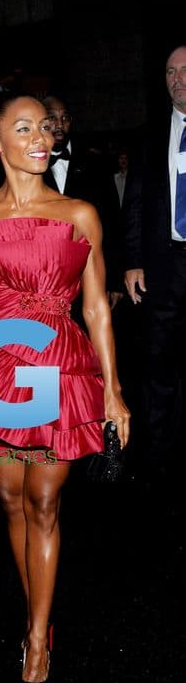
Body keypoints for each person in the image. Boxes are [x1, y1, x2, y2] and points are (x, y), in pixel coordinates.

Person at [0, 87, 130, 683]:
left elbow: (98, 307)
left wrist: (113, 390)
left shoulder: (80, 214)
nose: (41, 140)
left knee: (44, 502)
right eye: (23, 130)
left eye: (46, 130)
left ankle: (35, 637)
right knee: (9, 500)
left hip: (56, 364)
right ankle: (38, 611)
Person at [123, 44, 186, 486]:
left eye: (185, 70)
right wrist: (131, 261)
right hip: (163, 269)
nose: (177, 78)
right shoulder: (150, 135)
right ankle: (161, 461)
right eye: (170, 72)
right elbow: (135, 203)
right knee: (158, 365)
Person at [42, 95, 123, 310]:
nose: (59, 124)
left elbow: (113, 222)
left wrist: (114, 280)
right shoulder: (29, 165)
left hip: (90, 275)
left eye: (65, 118)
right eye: (52, 118)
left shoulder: (96, 164)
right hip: (44, 280)